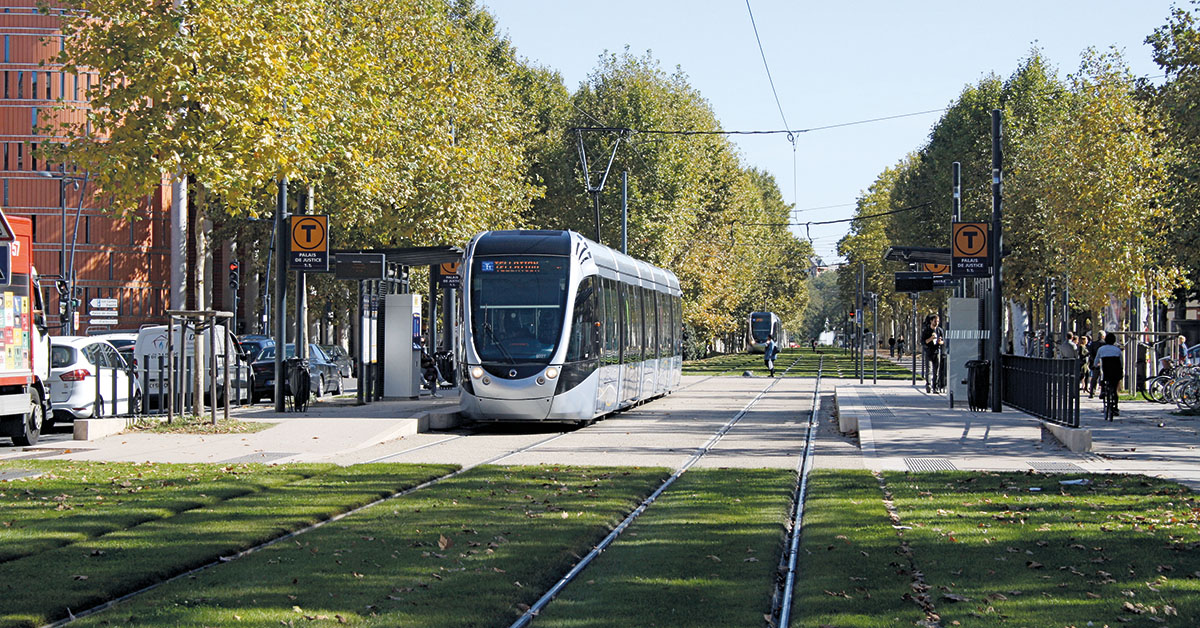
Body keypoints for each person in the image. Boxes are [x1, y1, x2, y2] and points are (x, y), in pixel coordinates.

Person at [1093, 332, 1123, 416]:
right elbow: (1121, 361)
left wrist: (1095, 365)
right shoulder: (1117, 350)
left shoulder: (1101, 349)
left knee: (1103, 377)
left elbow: (1096, 359)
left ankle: (1103, 391)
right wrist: (1122, 370)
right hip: (1116, 372)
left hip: (1106, 371)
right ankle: (1115, 407)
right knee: (1114, 390)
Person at [921, 314, 945, 393]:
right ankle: (928, 385)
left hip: (936, 352)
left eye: (938, 321)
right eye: (935, 321)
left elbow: (943, 341)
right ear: (931, 321)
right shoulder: (926, 330)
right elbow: (923, 342)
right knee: (929, 370)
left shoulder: (940, 330)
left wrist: (940, 342)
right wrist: (931, 338)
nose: (936, 323)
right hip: (928, 352)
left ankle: (935, 387)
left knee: (936, 371)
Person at [1086, 331, 1105, 398]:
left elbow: (1090, 354)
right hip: (1104, 364)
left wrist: (1094, 361)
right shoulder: (1105, 344)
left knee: (1094, 379)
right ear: (1103, 336)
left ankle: (1092, 393)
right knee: (1103, 378)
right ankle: (1103, 392)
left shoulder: (1093, 344)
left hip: (1096, 363)